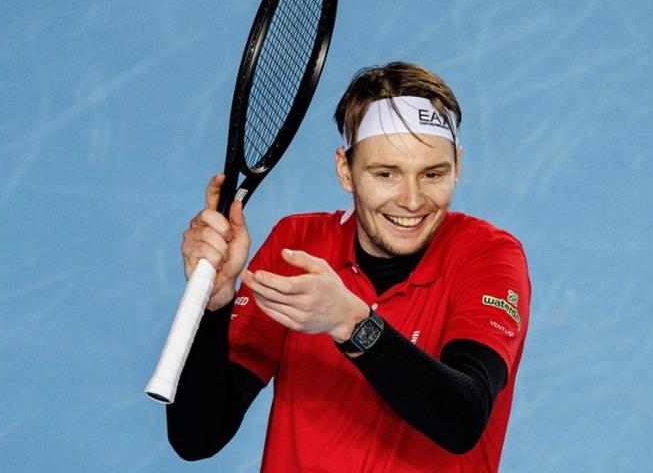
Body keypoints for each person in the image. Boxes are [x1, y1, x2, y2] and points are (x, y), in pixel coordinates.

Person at [167, 62, 530, 472]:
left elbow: (463, 417)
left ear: (457, 167)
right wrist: (214, 305)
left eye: (432, 174)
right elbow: (196, 436)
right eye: (386, 174)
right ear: (346, 170)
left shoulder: (489, 256)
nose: (412, 200)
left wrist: (353, 325)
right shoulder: (296, 245)